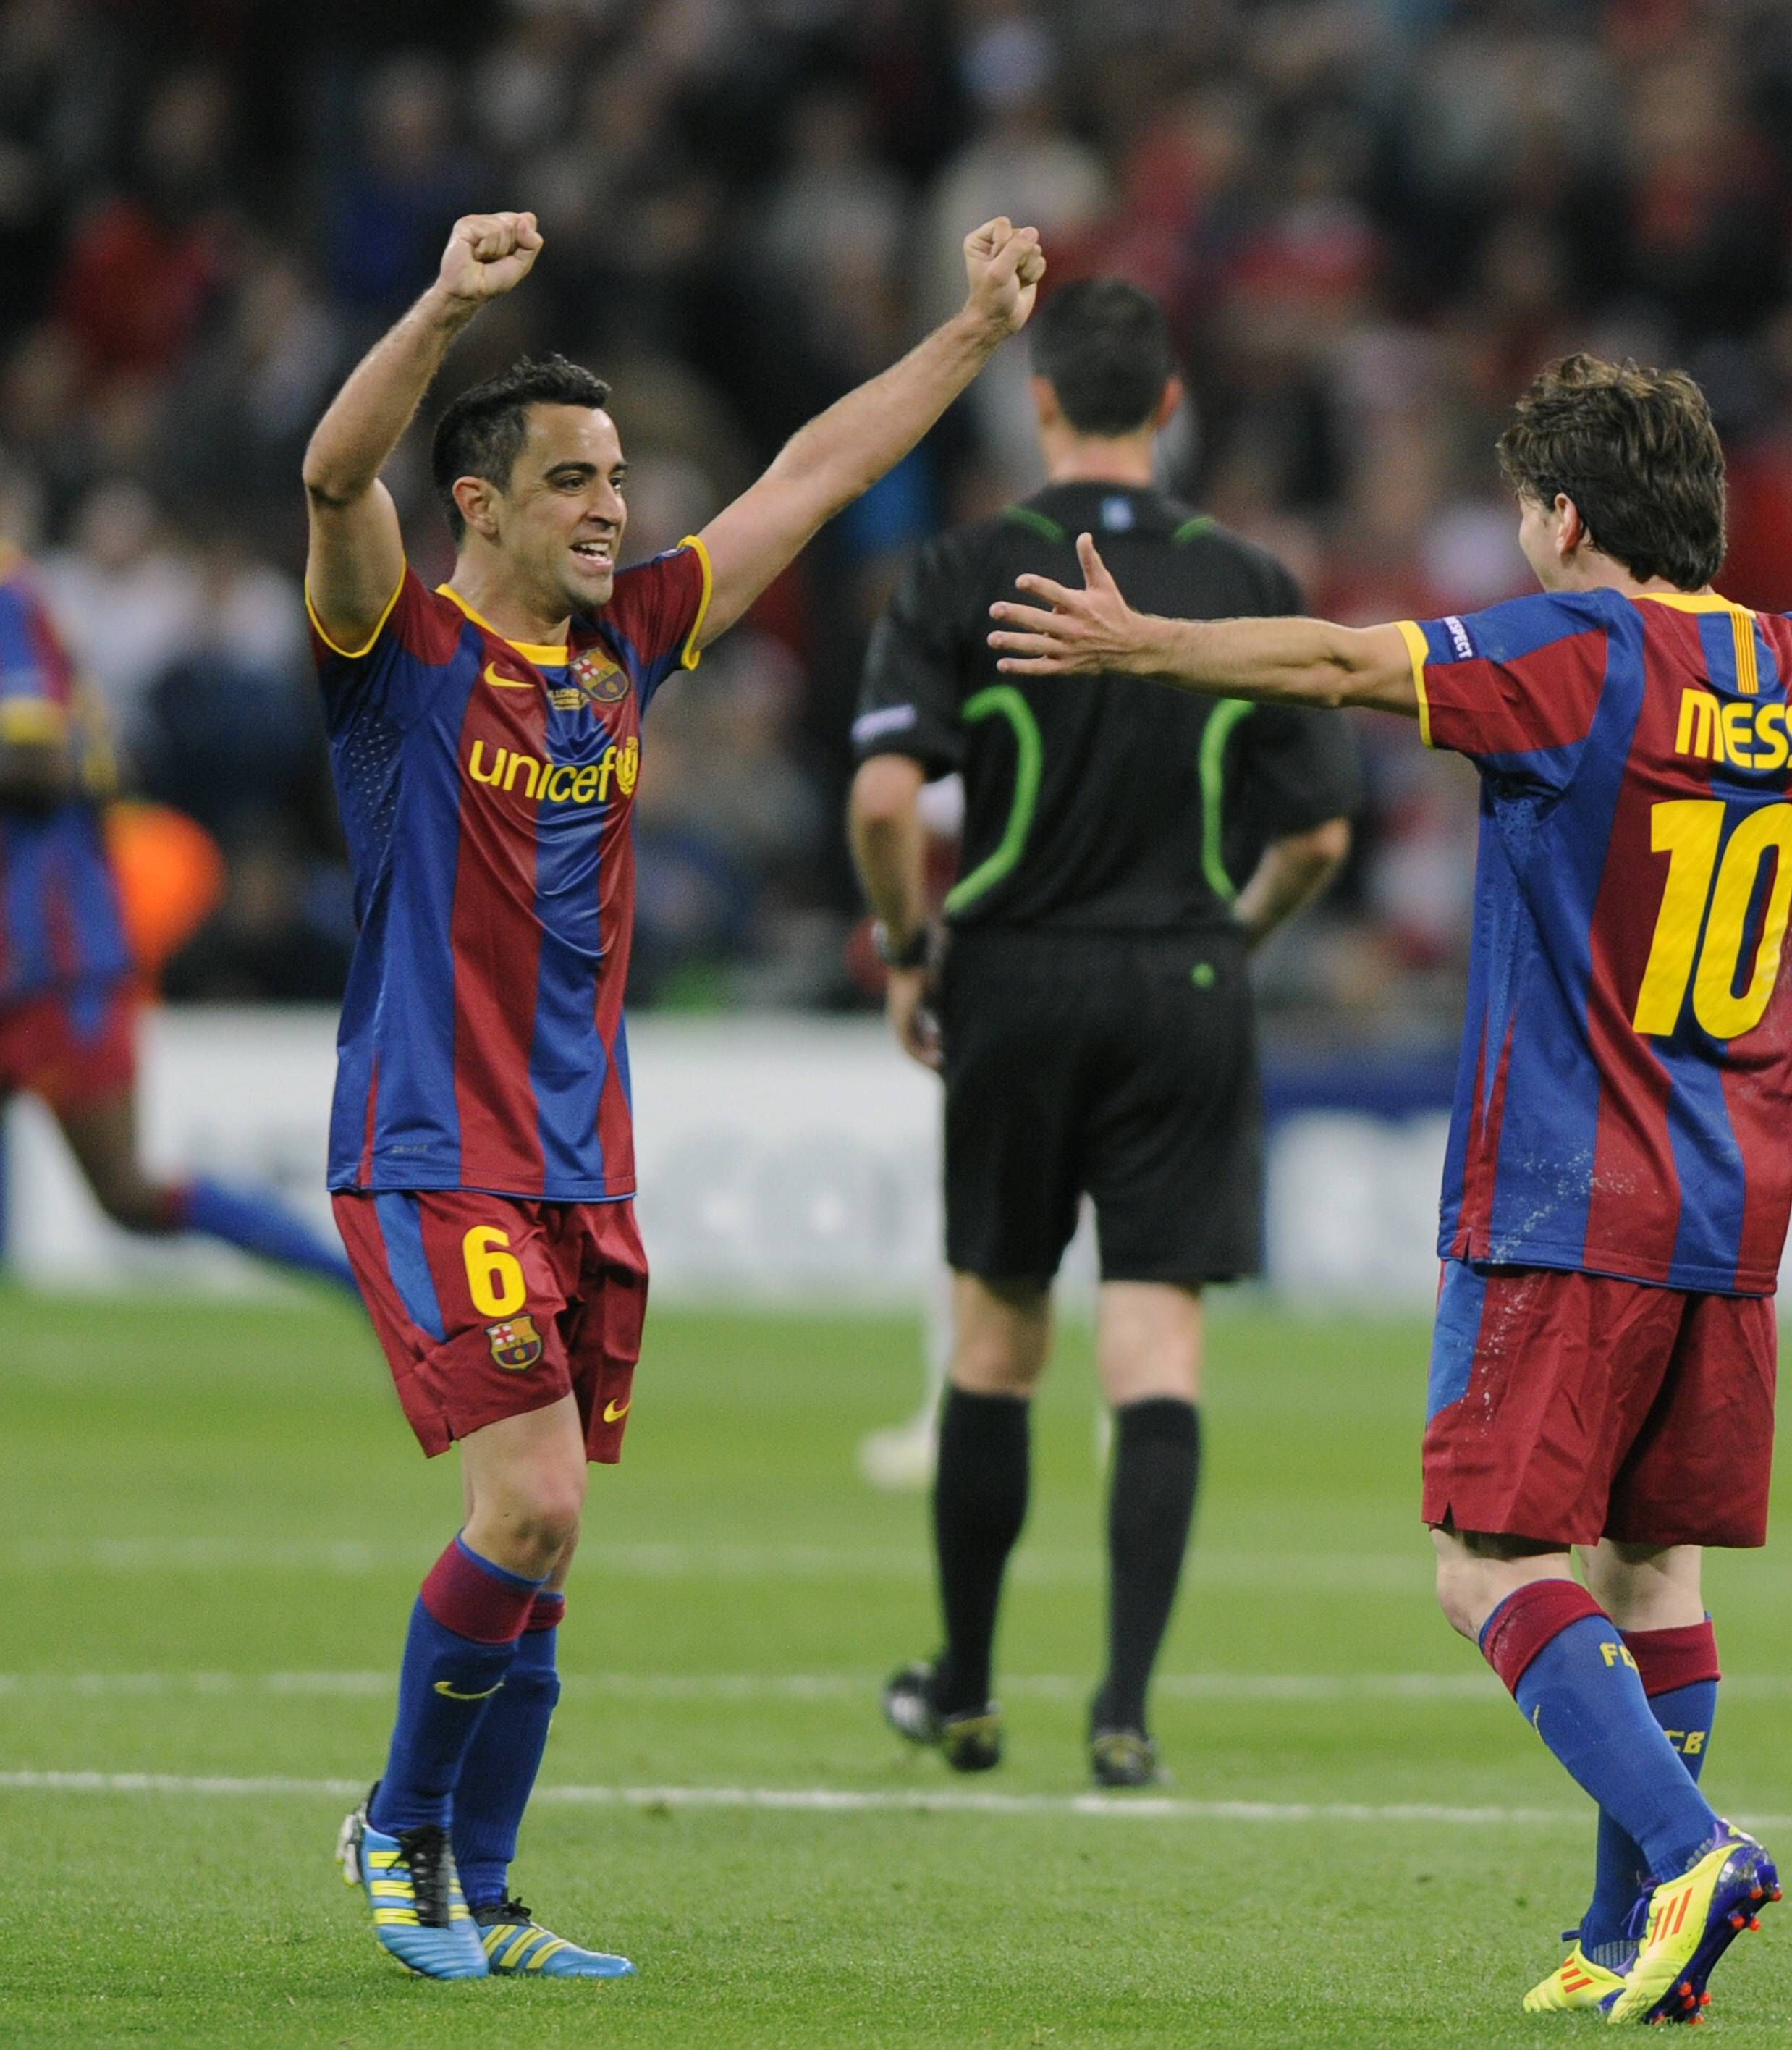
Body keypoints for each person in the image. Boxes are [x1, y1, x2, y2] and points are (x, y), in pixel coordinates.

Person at [984, 353, 1792, 2023]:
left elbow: (1343, 662)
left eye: (1522, 505)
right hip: (1734, 1205)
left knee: (1489, 1570)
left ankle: (1690, 1850)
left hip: (1568, 1190)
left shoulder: (1577, 650)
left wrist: (1147, 644)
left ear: (1564, 515)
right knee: (1654, 1575)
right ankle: (1622, 1939)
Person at [300, 208, 1043, 1981]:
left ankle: (487, 1890)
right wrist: (442, 308)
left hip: (579, 1160)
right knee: (532, 1503)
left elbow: (808, 470)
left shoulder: (630, 639)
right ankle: (397, 1831)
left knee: (550, 1549)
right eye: (572, 480)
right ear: (479, 503)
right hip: (430, 1146)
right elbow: (334, 480)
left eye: (617, 476)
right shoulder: (397, 653)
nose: (612, 508)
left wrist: (968, 335)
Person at [845, 278, 1359, 1789]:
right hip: (1183, 987)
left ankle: (968, 1690)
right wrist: (1230, 944)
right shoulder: (1249, 572)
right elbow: (1321, 837)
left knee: (997, 1343)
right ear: (1174, 405)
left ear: (1042, 405)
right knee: (1158, 1346)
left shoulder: (962, 566)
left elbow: (885, 799)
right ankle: (1124, 1710)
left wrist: (903, 947)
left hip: (1009, 975)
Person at [0, 425, 358, 1500]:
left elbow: (41, 771)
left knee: (127, 1192)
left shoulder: (3, 603)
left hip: (56, 948)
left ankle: (371, 1281)